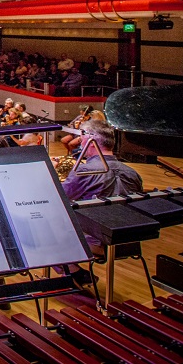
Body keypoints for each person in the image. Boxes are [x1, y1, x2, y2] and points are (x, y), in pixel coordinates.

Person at [59, 119, 143, 284]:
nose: (80, 142)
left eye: (82, 137)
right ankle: (76, 274)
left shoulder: (84, 171)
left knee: (44, 230)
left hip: (96, 240)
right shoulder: (133, 173)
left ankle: (74, 272)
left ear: (91, 142)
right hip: (128, 241)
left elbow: (61, 198)